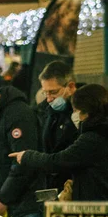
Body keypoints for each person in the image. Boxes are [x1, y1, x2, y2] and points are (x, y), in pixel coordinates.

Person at [10, 84, 108, 201]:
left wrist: (27, 156)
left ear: (88, 111)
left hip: (100, 211)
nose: (74, 115)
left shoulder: (94, 138)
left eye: (76, 110)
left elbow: (56, 161)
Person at [0, 78, 43, 217]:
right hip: (12, 203)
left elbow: (23, 163)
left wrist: (4, 198)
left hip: (27, 206)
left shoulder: (17, 114)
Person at [37, 61, 79, 191]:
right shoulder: (46, 112)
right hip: (53, 188)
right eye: (45, 93)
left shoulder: (85, 113)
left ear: (71, 87)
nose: (49, 99)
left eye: (53, 92)